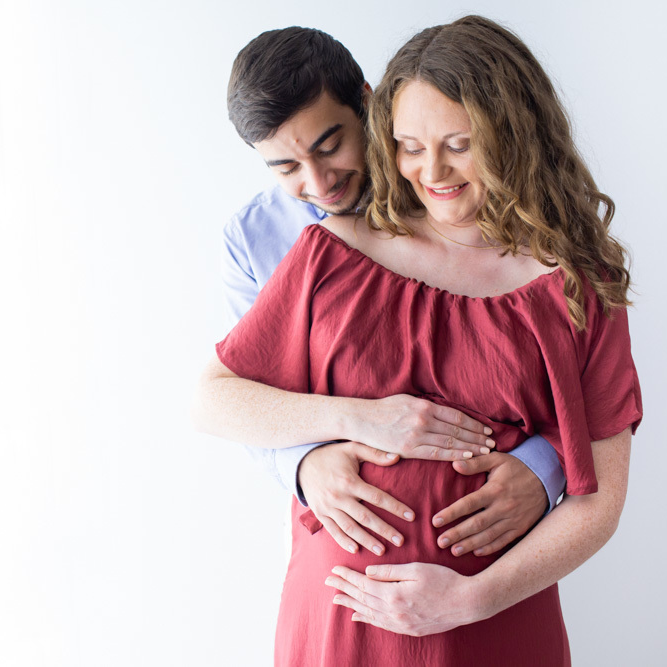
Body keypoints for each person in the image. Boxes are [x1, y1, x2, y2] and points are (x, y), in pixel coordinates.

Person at [194, 15, 641, 666]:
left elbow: (601, 491)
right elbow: (219, 398)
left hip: (496, 621)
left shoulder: (578, 284)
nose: (430, 170)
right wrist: (322, 448)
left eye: (458, 143)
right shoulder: (325, 249)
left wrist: (471, 598)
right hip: (344, 618)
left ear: (509, 134)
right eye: (409, 145)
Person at [216, 26, 565, 563]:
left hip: (500, 559)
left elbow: (569, 374)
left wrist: (546, 469)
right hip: (344, 563)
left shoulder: (447, 186)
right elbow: (236, 397)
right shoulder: (256, 240)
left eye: (329, 146)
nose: (319, 180)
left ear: (367, 103)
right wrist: (307, 461)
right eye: (286, 167)